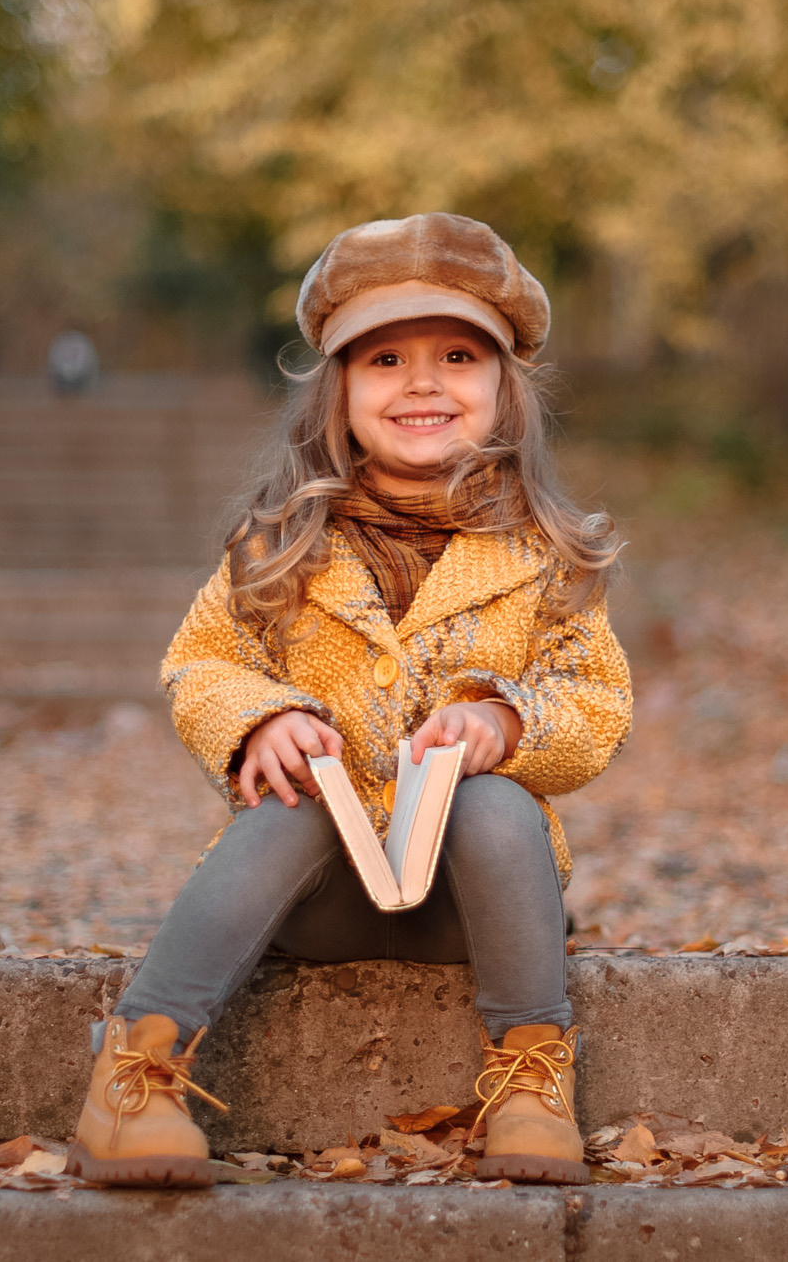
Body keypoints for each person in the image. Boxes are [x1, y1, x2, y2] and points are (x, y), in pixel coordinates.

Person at [68, 213, 631, 1188]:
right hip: (316, 897)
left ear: (504, 388)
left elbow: (594, 699)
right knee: (297, 794)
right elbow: (202, 662)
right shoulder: (278, 544)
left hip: (474, 904)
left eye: (457, 354)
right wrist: (260, 718)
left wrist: (505, 722)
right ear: (337, 392)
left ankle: (532, 1074)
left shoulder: (550, 558)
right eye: (383, 360)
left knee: (495, 802)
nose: (421, 382)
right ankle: (137, 1072)